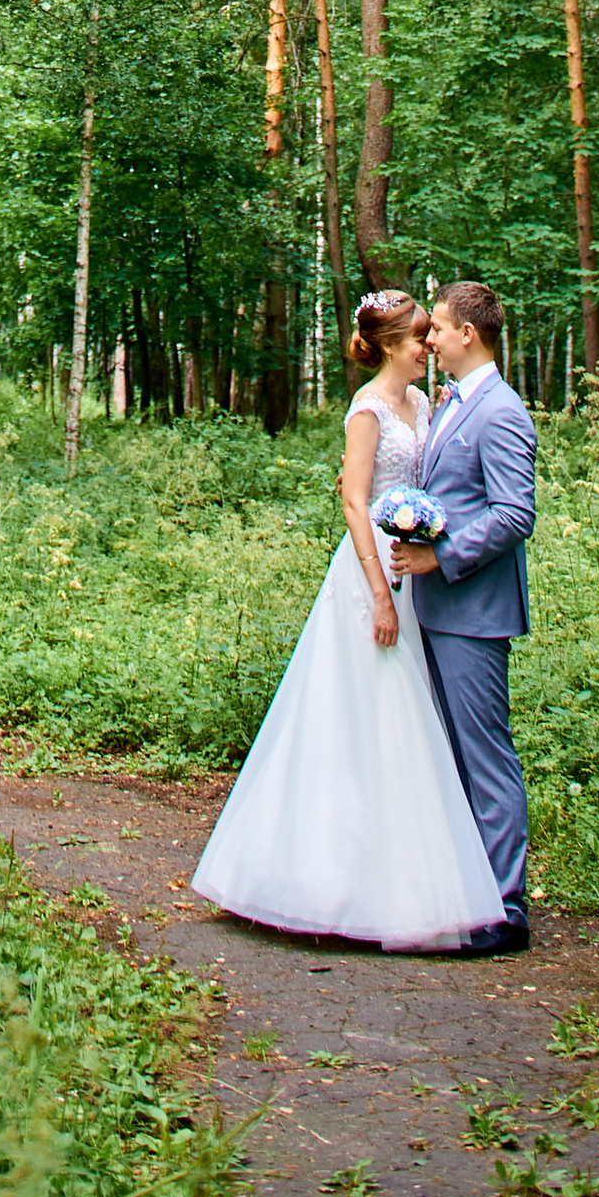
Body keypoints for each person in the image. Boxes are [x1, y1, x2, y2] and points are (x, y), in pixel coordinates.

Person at [188, 289, 504, 949]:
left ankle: (409, 877)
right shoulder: (366, 412)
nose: (429, 348)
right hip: (371, 577)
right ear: (392, 345)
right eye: (421, 337)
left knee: (411, 728)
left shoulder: (424, 404)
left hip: (420, 573)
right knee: (358, 719)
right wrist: (381, 593)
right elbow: (355, 504)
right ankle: (328, 882)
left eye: (432, 335)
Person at [392, 278, 535, 951]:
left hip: (474, 609)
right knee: (450, 756)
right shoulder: (453, 403)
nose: (431, 340)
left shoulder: (501, 412)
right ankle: (466, 892)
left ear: (467, 335)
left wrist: (438, 558)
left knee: (485, 757)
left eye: (439, 330)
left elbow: (513, 514)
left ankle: (506, 910)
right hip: (440, 608)